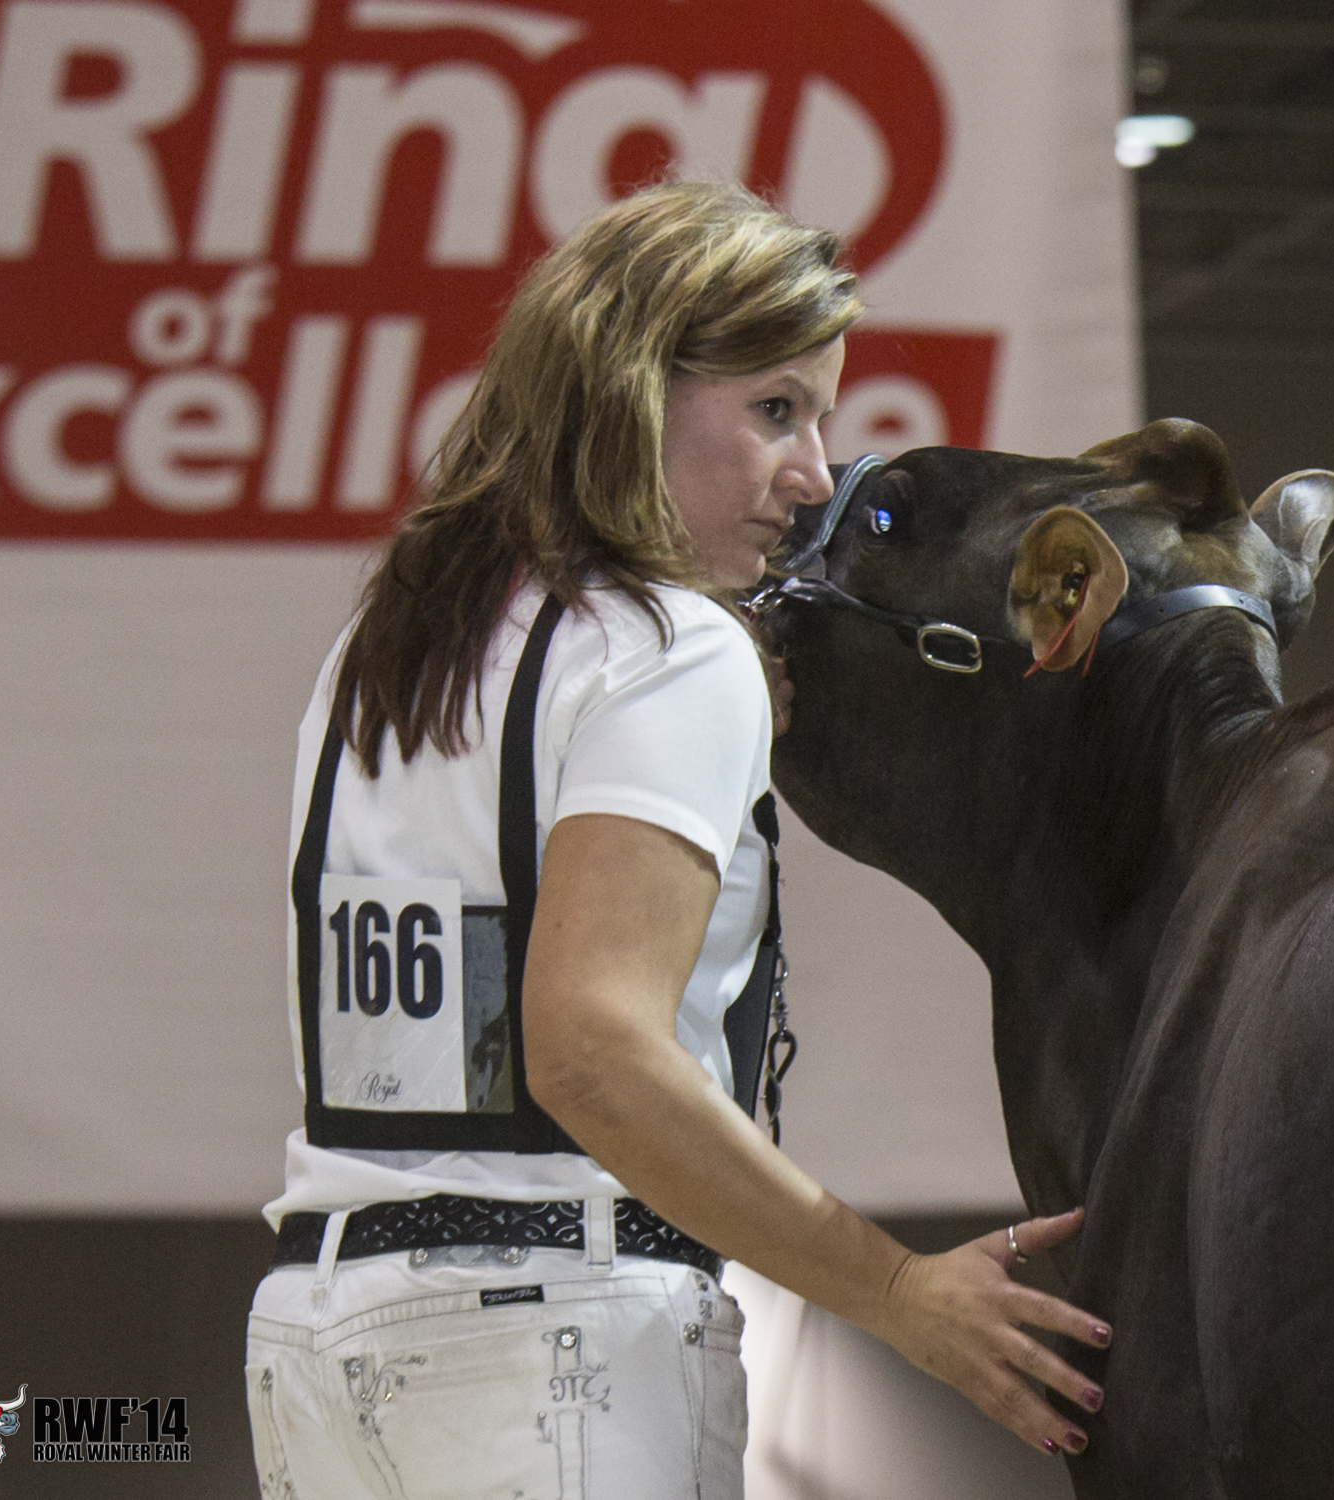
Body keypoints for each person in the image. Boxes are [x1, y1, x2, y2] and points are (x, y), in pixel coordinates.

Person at [245, 181, 1111, 1499]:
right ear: (629, 387)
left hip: (319, 1335)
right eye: (774, 410)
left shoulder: (385, 650)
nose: (810, 475)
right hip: (559, 1335)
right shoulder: (671, 648)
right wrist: (898, 1291)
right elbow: (588, 1051)